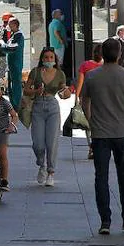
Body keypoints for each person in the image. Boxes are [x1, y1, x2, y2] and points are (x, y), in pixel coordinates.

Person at [81, 38, 124, 235]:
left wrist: (92, 123)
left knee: (101, 177)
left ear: (102, 53)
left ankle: (105, 221)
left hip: (100, 134)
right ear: (119, 54)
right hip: (123, 133)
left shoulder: (92, 76)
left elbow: (85, 103)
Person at [25, 47, 72, 187]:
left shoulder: (60, 74)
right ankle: (41, 164)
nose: (48, 60)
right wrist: (36, 91)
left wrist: (66, 92)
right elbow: (26, 90)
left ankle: (51, 172)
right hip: (38, 107)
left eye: (51, 57)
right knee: (38, 143)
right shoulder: (35, 72)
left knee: (52, 141)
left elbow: (63, 90)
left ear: (55, 59)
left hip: (52, 107)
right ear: (42, 59)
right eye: (46, 57)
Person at [75, 43, 105, 160]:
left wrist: (76, 97)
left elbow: (80, 82)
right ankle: (100, 146)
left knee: (88, 124)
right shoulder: (105, 66)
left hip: (87, 98)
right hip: (103, 98)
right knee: (101, 123)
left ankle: (91, 148)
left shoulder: (85, 65)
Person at [0, 18, 26, 109]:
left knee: (15, 85)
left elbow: (10, 48)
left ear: (15, 25)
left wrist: (2, 43)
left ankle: (16, 105)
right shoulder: (13, 35)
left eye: (10, 24)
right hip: (12, 64)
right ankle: (13, 105)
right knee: (11, 85)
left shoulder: (18, 36)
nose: (8, 26)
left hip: (16, 64)